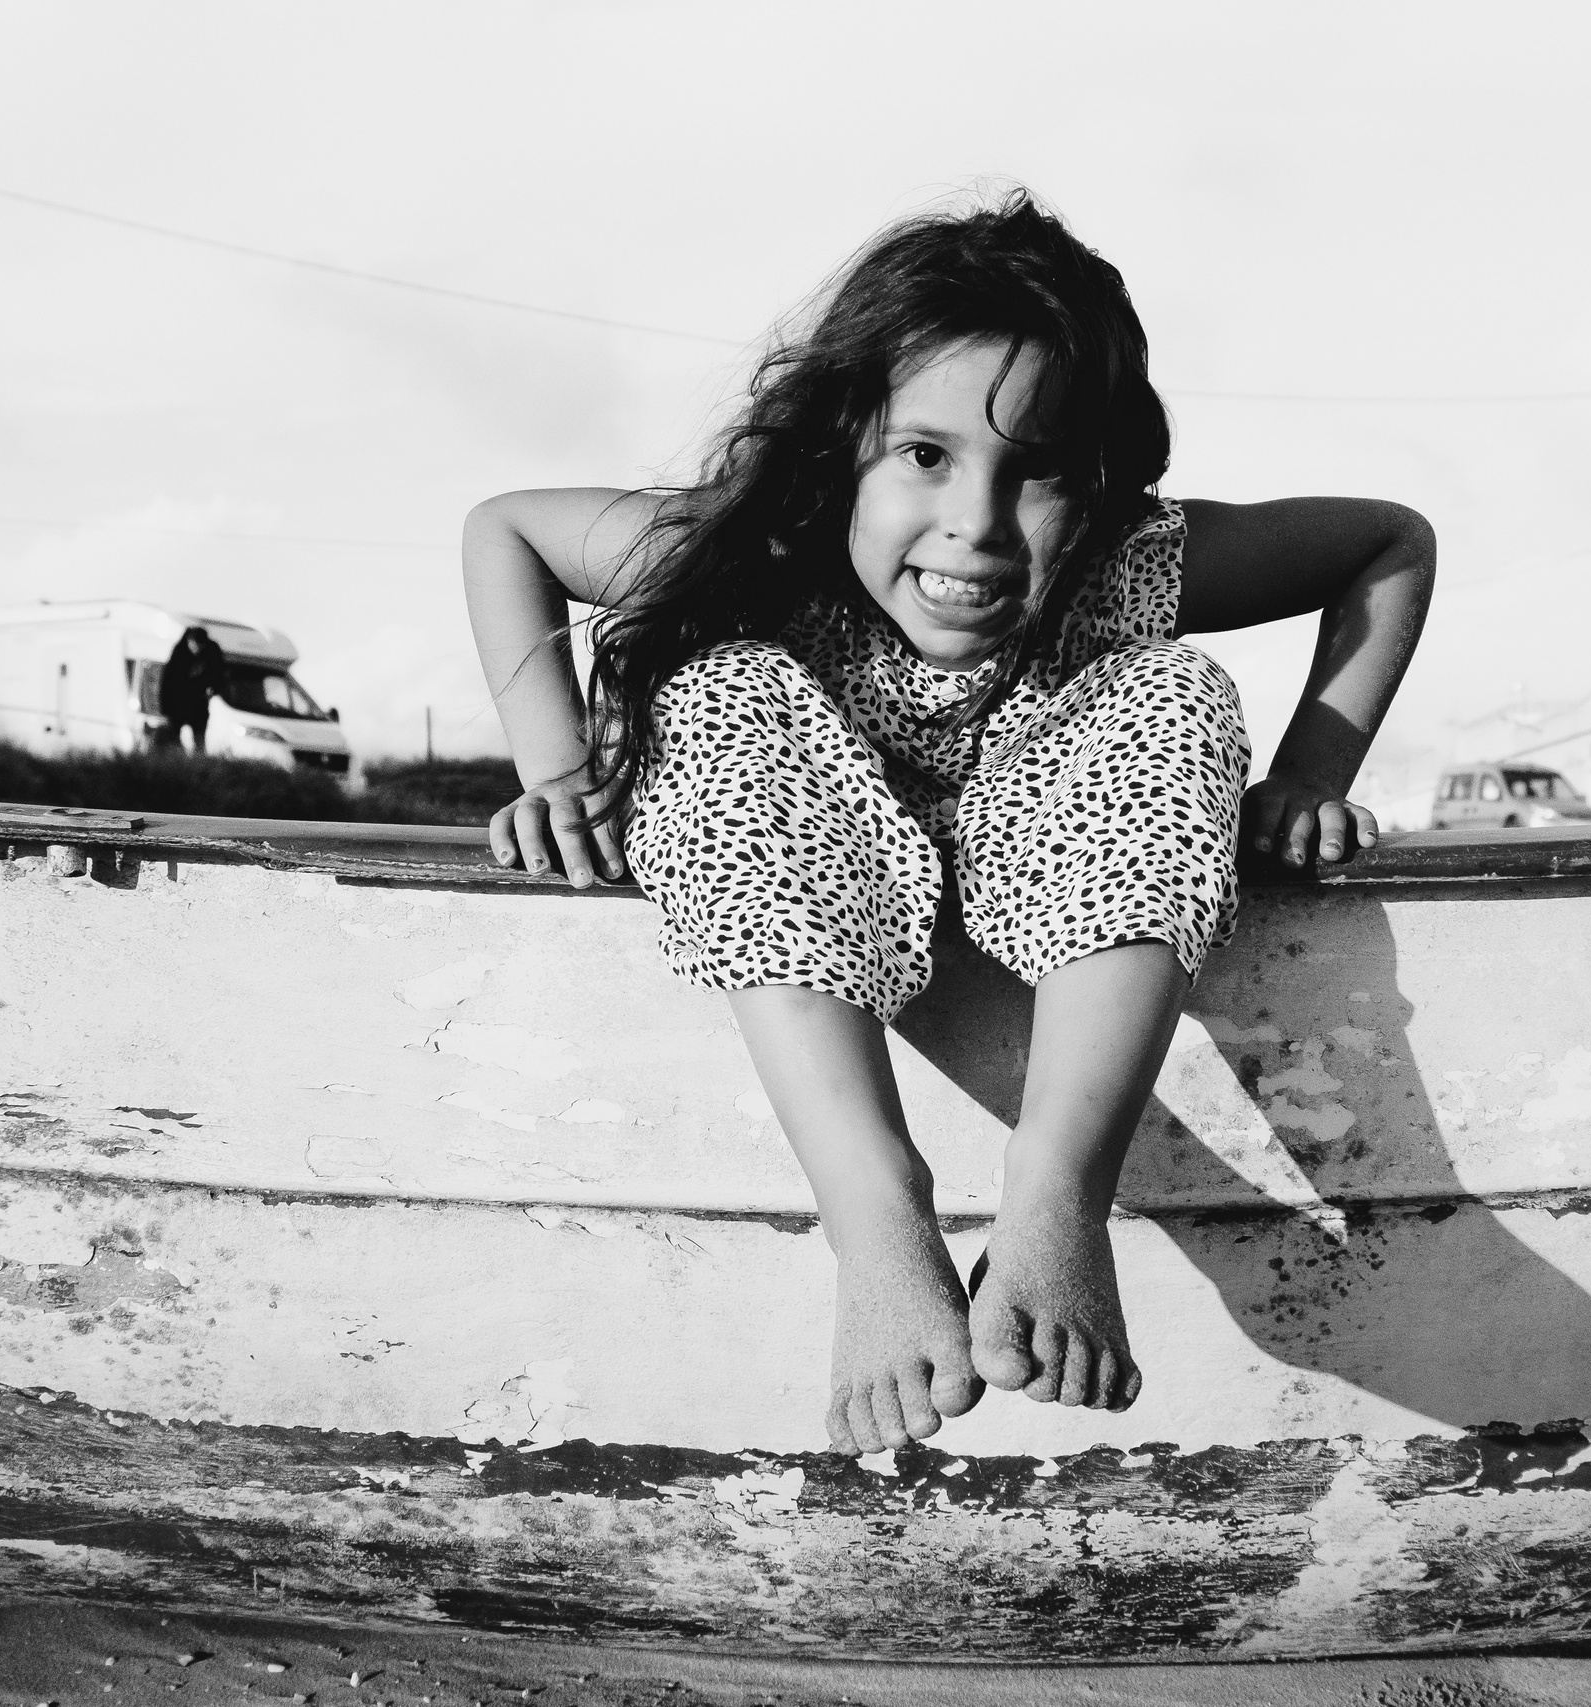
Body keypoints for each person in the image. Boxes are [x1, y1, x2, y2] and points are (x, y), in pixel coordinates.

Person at [462, 192, 1434, 1456]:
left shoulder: (1122, 562)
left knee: (1172, 684)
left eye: (1036, 470)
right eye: (925, 455)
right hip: (821, 876)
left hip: (1055, 864)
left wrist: (1308, 771)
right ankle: (877, 1222)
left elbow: (1387, 543)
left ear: (1098, 485)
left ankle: (1055, 1190)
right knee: (718, 689)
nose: (974, 525)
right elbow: (506, 531)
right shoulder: (762, 547)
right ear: (842, 446)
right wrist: (557, 770)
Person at [156, 625, 226, 753]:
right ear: (189, 641)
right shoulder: (179, 653)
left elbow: (219, 674)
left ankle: (197, 762)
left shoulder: (212, 651)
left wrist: (213, 689)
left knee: (199, 738)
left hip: (198, 703)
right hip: (178, 703)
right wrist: (165, 708)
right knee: (173, 737)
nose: (196, 649)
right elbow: (167, 682)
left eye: (200, 646)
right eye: (194, 645)